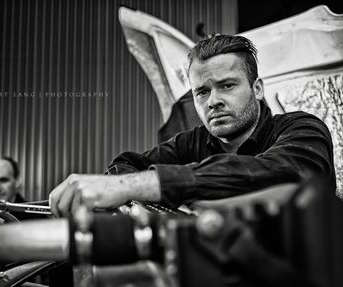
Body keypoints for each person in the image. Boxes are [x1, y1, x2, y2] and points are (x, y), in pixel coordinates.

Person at [49, 34, 335, 217]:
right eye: (202, 91)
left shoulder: (301, 128)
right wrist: (122, 189)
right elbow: (126, 163)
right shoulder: (191, 142)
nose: (213, 101)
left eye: (226, 85)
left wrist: (136, 187)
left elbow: (283, 171)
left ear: (257, 88)